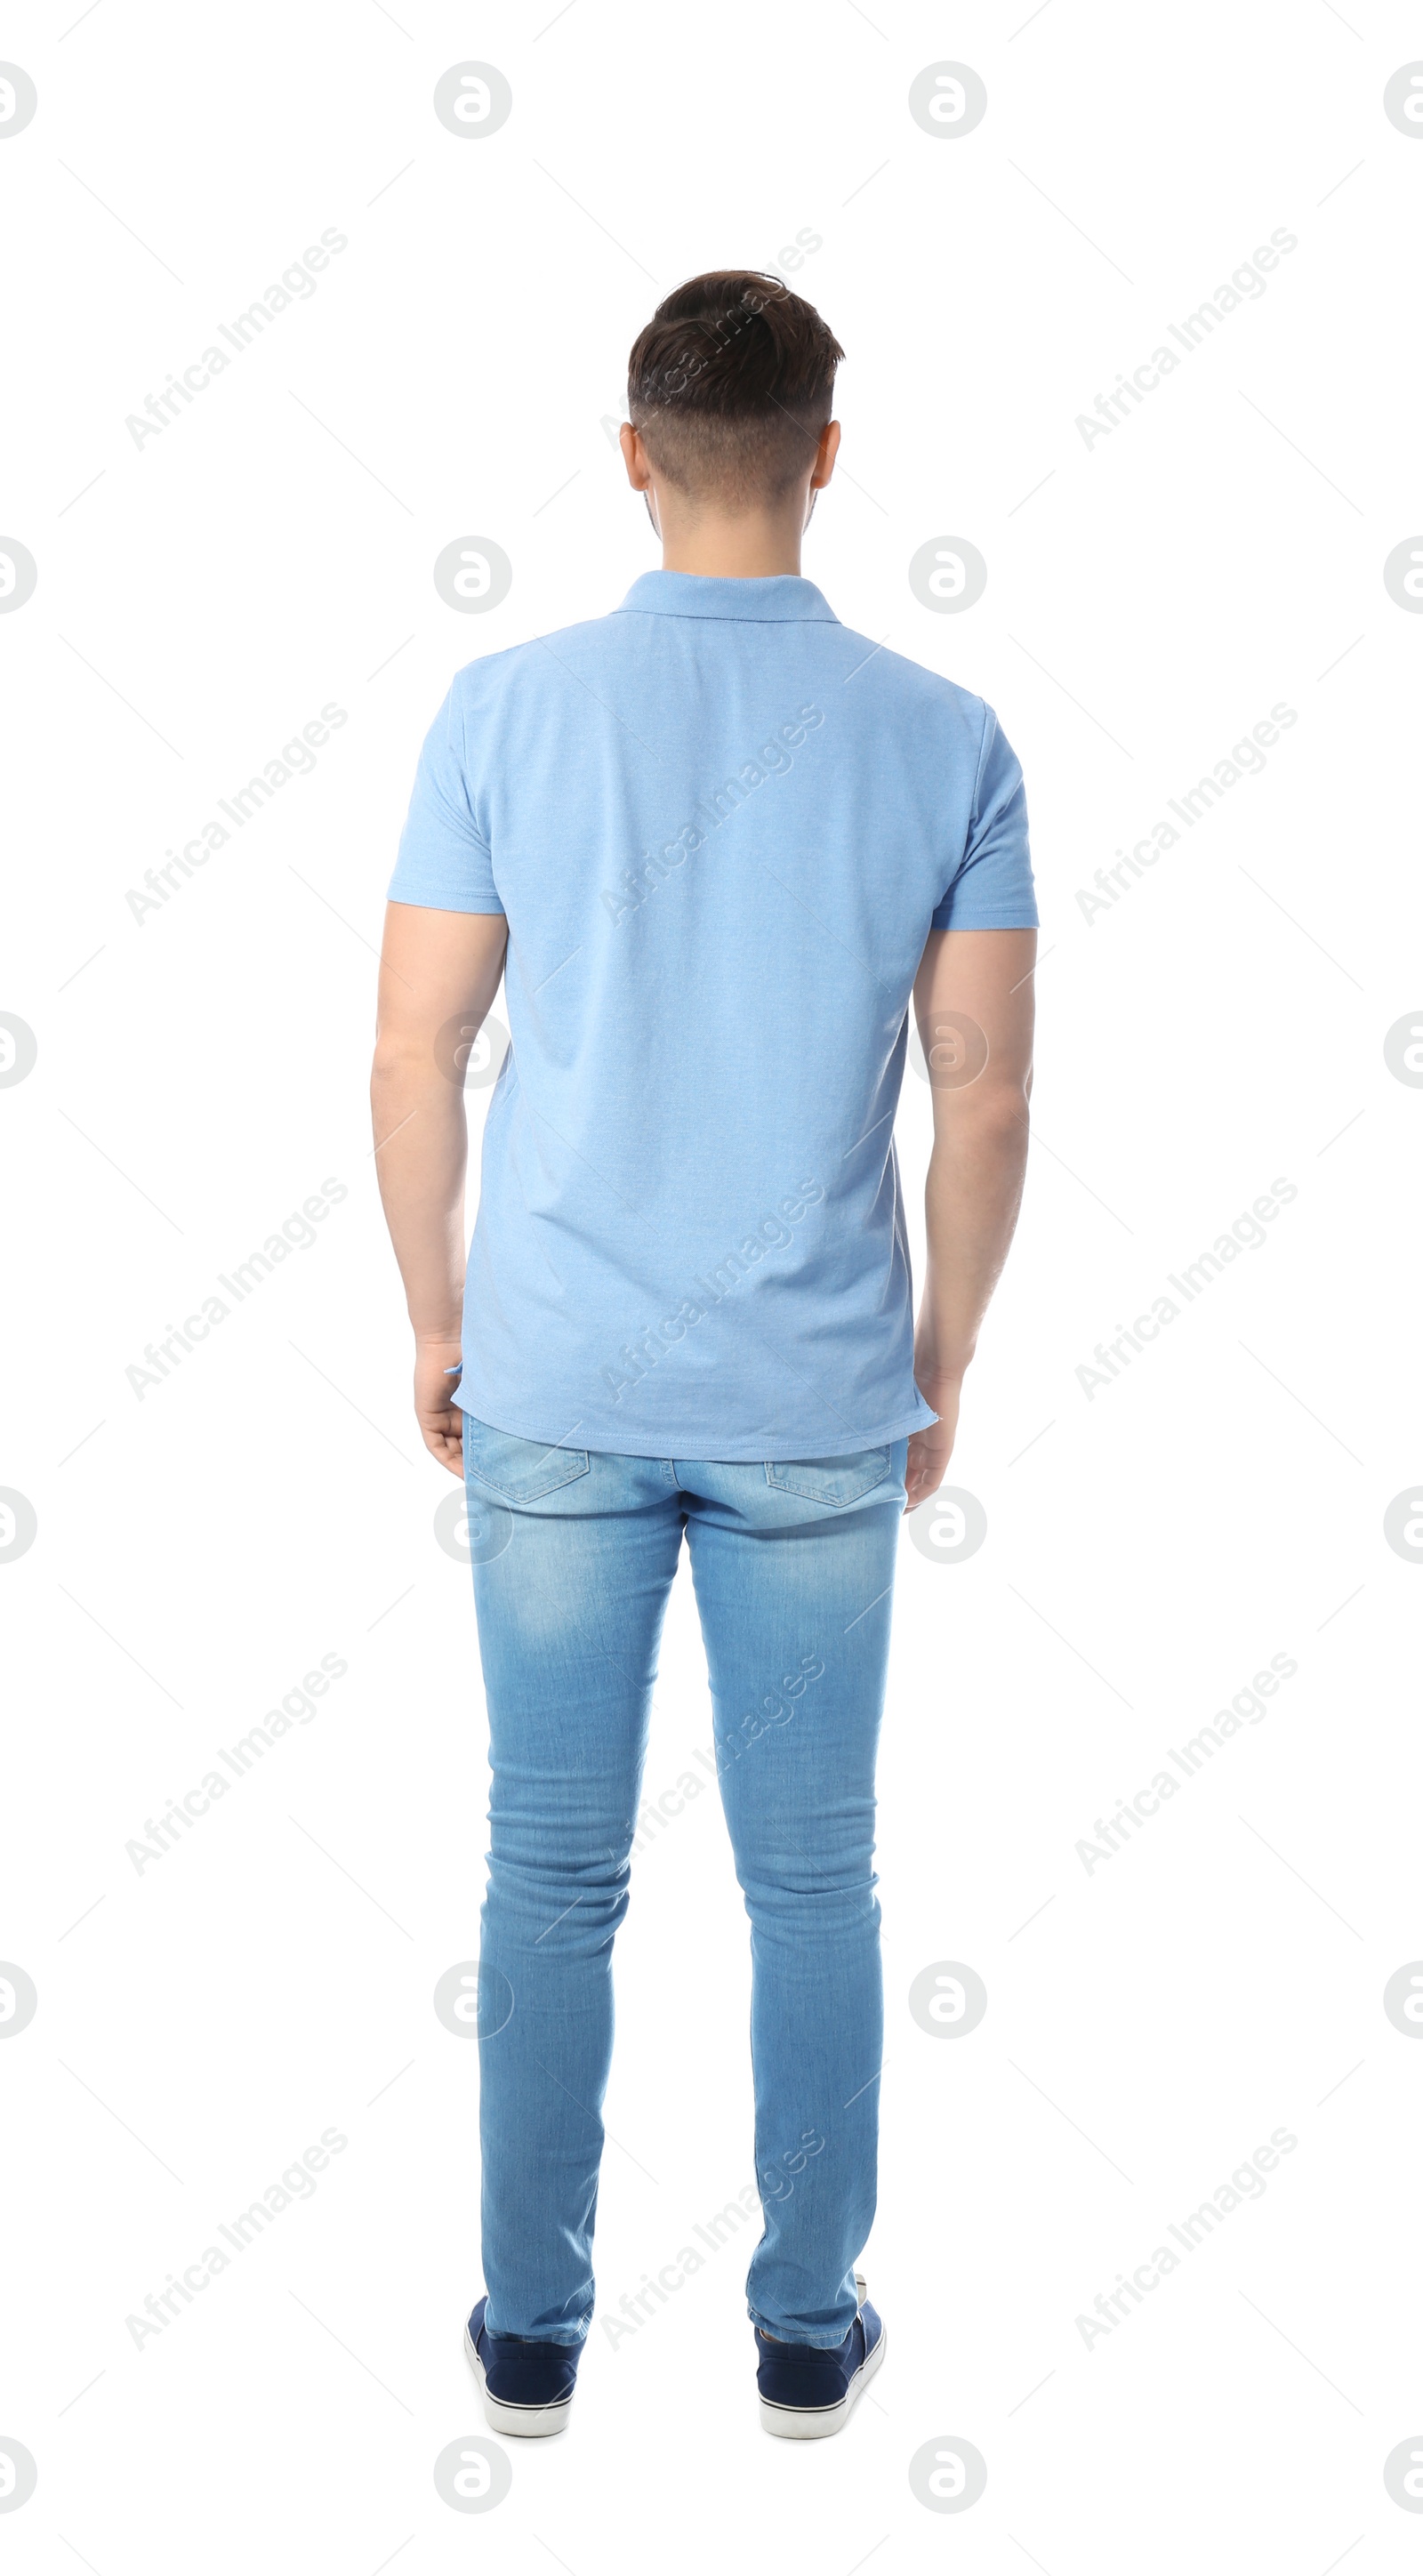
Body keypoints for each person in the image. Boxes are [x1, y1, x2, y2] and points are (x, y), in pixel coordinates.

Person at [370, 270, 1036, 2440]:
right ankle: (800, 2326)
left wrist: (435, 1314)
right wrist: (937, 1353)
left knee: (545, 1867)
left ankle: (532, 2330)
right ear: (826, 456)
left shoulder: (500, 706)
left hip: (553, 1379)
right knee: (814, 1871)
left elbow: (412, 1044)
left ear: (631, 452)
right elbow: (986, 1095)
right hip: (813, 1398)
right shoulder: (946, 735)